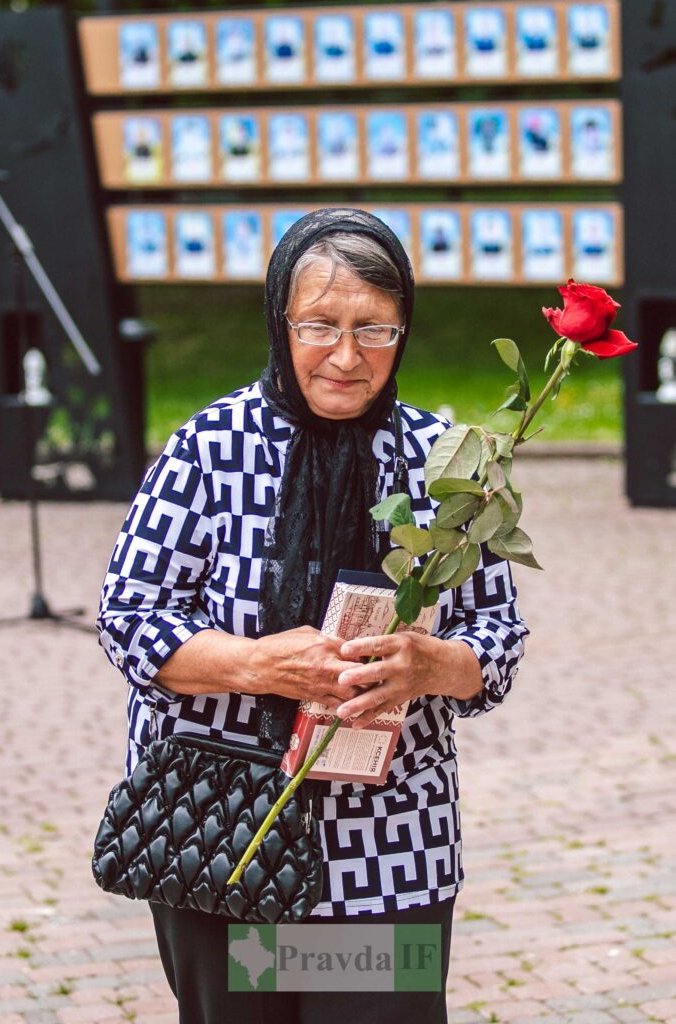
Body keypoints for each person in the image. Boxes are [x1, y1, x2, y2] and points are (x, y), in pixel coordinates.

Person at [96, 207, 528, 1024]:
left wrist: (428, 663)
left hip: (387, 840)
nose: (344, 355)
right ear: (278, 321)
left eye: (374, 330)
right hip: (224, 827)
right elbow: (129, 617)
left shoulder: (446, 463)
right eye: (319, 324)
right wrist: (259, 665)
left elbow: (495, 641)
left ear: (404, 333)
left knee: (376, 1010)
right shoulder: (210, 448)